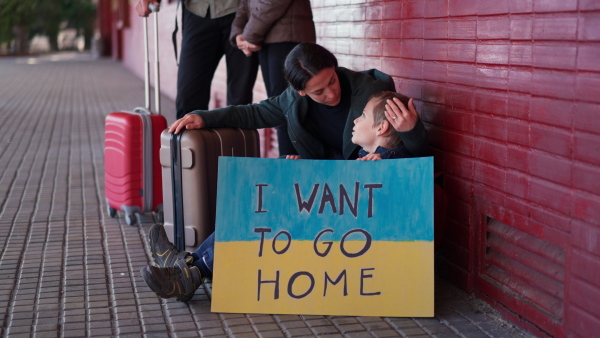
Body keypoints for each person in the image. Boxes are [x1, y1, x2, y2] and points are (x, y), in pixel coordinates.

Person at [140, 42, 429, 301]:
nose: (331, 92)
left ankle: (190, 269)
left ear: (334, 66)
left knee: (274, 204)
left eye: (331, 80)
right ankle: (189, 267)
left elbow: (412, 162)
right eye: (319, 90)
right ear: (301, 91)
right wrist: (202, 117)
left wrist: (412, 131)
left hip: (350, 207)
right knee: (262, 197)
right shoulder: (294, 101)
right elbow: (252, 113)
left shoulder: (370, 96)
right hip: (328, 191)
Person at [134, 0, 259, 119]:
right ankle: (190, 141)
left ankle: (237, 141)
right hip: (197, 12)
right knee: (188, 101)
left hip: (242, 14)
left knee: (241, 100)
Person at [231, 0, 316, 156]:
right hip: (264, 39)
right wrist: (238, 33)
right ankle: (286, 168)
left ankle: (293, 173)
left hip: (287, 37)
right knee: (282, 111)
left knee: (291, 113)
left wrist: (249, 35)